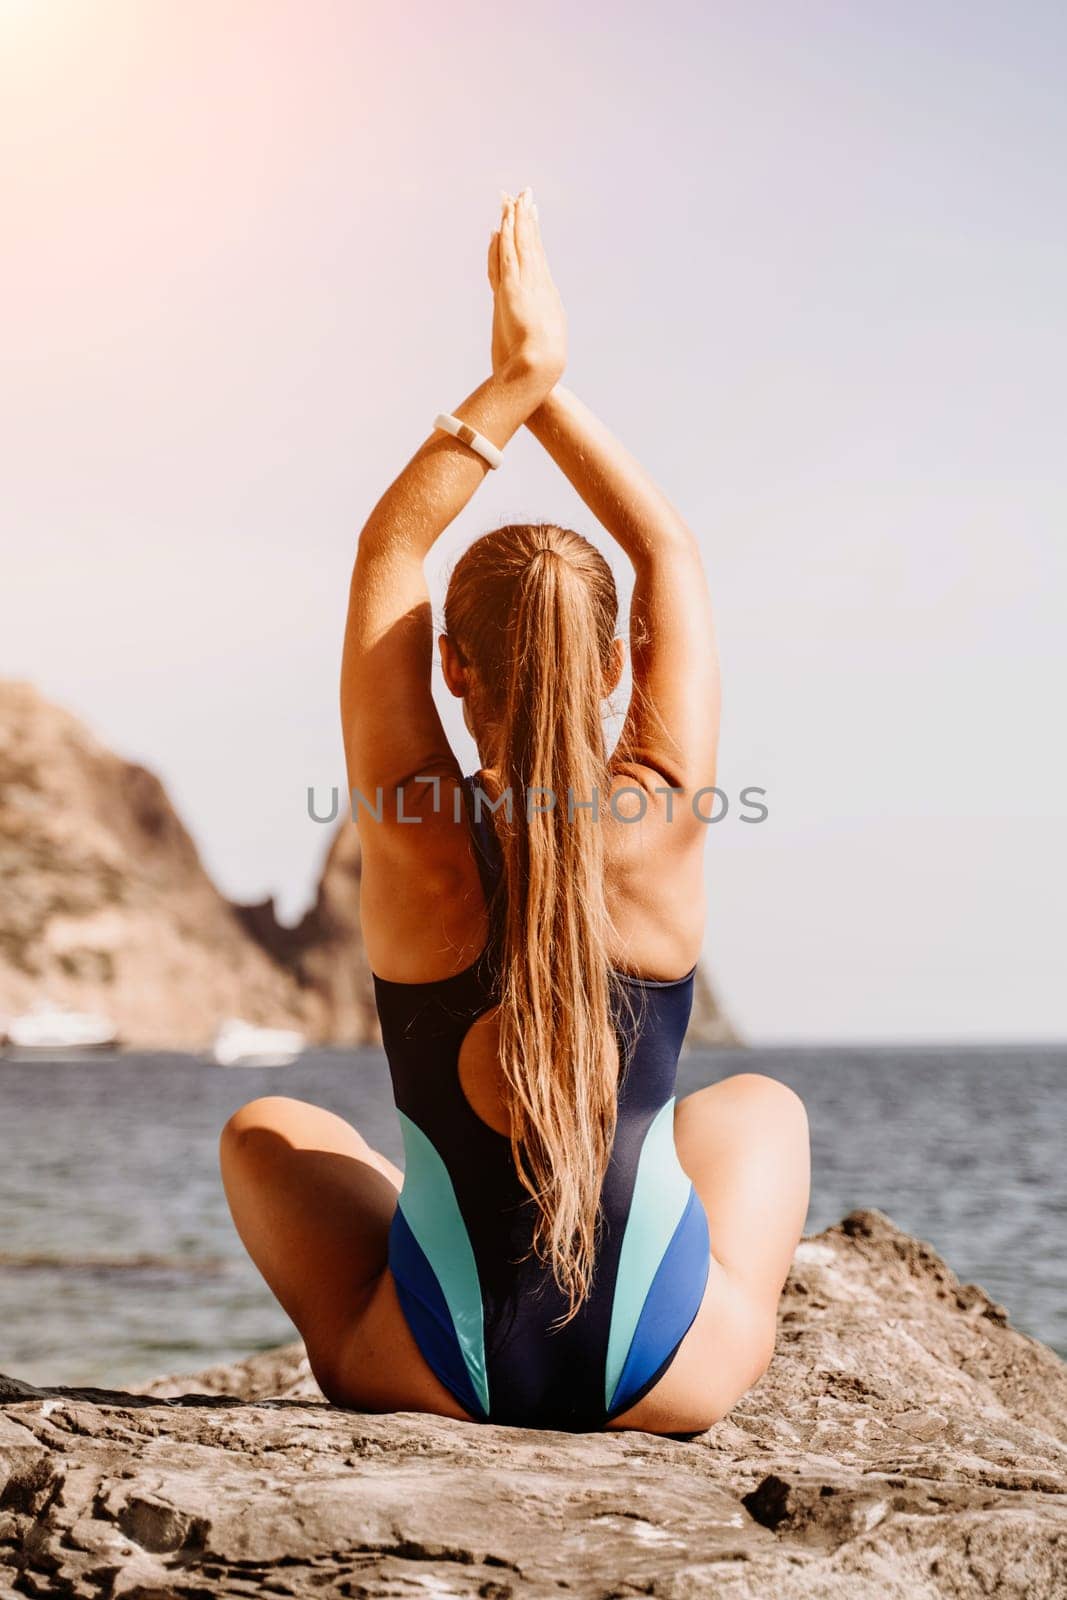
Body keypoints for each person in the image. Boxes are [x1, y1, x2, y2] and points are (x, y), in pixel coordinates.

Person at [220, 188, 810, 1434]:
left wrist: (506, 382)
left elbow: (389, 553)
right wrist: (552, 384)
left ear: (453, 669)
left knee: (267, 1128)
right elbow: (669, 555)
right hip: (666, 1376)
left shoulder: (409, 821)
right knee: (757, 1110)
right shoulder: (662, 813)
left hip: (437, 1373)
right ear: (614, 667)